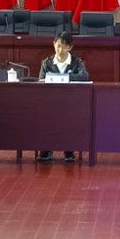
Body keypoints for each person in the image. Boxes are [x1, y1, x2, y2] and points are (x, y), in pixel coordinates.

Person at [36, 32, 92, 163]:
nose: (60, 49)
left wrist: (63, 77)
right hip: (50, 101)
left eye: (64, 46)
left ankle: (69, 150)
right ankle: (46, 149)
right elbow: (41, 80)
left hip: (70, 101)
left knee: (70, 116)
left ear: (70, 47)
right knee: (45, 117)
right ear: (54, 44)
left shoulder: (77, 62)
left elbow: (84, 76)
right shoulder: (47, 62)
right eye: (58, 45)